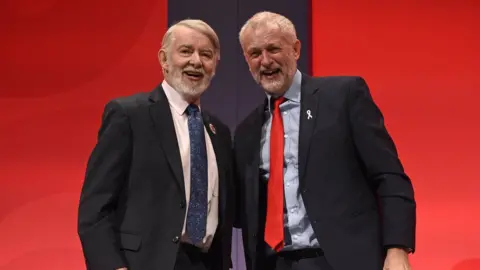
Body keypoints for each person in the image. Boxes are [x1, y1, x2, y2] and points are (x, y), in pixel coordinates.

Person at [233, 11, 416, 270]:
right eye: (255, 53)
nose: (265, 61)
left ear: (295, 49)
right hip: (275, 263)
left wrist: (397, 250)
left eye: (273, 49)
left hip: (343, 260)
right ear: (246, 59)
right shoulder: (246, 131)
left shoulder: (344, 96)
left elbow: (389, 176)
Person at [77, 19, 234, 270]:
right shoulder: (129, 115)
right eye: (185, 51)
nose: (196, 61)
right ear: (164, 59)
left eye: (206, 54)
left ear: (215, 65)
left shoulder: (219, 133)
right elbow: (95, 208)